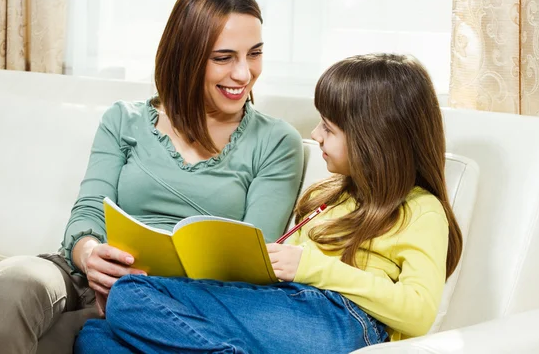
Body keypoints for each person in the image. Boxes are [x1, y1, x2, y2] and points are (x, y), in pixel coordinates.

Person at [0, 0, 304, 354]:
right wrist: (91, 255)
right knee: (12, 282)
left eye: (254, 53)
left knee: (70, 339)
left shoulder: (276, 141)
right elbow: (89, 210)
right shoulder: (123, 120)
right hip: (86, 278)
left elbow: (246, 267)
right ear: (185, 56)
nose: (244, 73)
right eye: (224, 57)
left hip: (177, 305)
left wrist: (138, 294)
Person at [74, 53, 464, 354]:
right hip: (285, 308)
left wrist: (311, 267)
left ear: (375, 139)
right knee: (94, 336)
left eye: (328, 128)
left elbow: (418, 313)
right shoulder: (332, 196)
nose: (315, 134)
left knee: (128, 298)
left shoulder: (420, 210)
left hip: (344, 320)